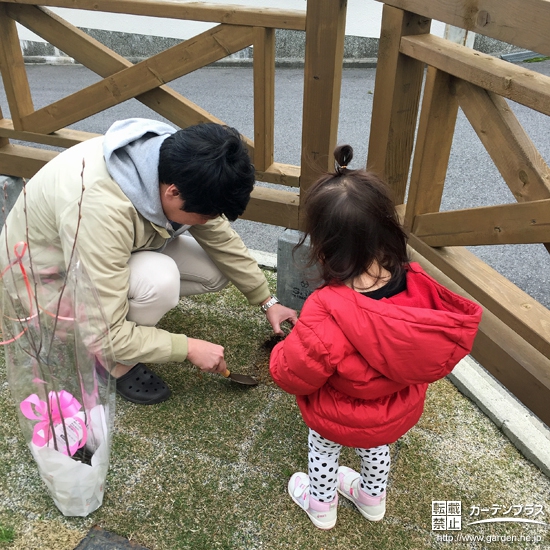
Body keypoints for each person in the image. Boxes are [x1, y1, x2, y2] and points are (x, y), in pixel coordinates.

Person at [2, 118, 297, 404]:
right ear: (173, 193)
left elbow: (219, 237)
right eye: (205, 215)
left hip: (102, 249)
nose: (209, 221)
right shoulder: (99, 209)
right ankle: (114, 364)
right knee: (160, 280)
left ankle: (129, 305)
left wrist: (266, 300)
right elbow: (103, 334)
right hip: (49, 280)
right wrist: (186, 347)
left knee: (216, 271)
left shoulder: (176, 163)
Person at [269, 145, 482, 530]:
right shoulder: (417, 286)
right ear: (387, 228)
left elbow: (291, 374)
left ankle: (321, 505)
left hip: (336, 412)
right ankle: (371, 498)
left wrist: (282, 350)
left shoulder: (326, 309)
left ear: (323, 245)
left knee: (322, 448)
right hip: (392, 412)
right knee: (375, 445)